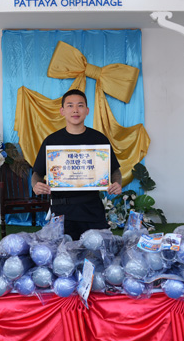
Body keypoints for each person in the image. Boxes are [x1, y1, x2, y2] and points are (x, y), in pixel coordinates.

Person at [32, 89, 122, 240]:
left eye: (80, 105)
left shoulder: (99, 139)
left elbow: (115, 171)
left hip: (92, 210)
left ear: (87, 111)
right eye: (70, 106)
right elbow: (37, 174)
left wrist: (117, 183)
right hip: (62, 212)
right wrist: (36, 185)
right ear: (62, 111)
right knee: (63, 253)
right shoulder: (52, 141)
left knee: (99, 249)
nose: (75, 110)